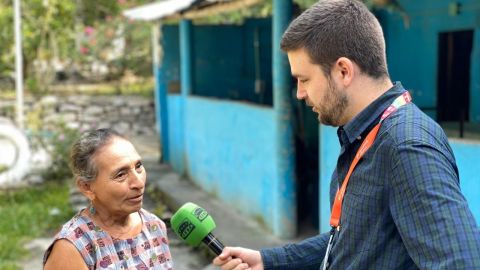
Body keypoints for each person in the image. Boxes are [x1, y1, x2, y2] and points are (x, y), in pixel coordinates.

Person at [213, 0, 480, 269]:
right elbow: (350, 238)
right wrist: (269, 260)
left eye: (304, 79)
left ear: (343, 71)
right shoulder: (366, 132)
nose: (299, 93)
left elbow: (462, 261)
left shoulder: (407, 146)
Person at [43, 128, 173, 269]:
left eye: (138, 166)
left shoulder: (154, 226)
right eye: (120, 175)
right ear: (87, 187)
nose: (139, 183)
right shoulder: (73, 247)